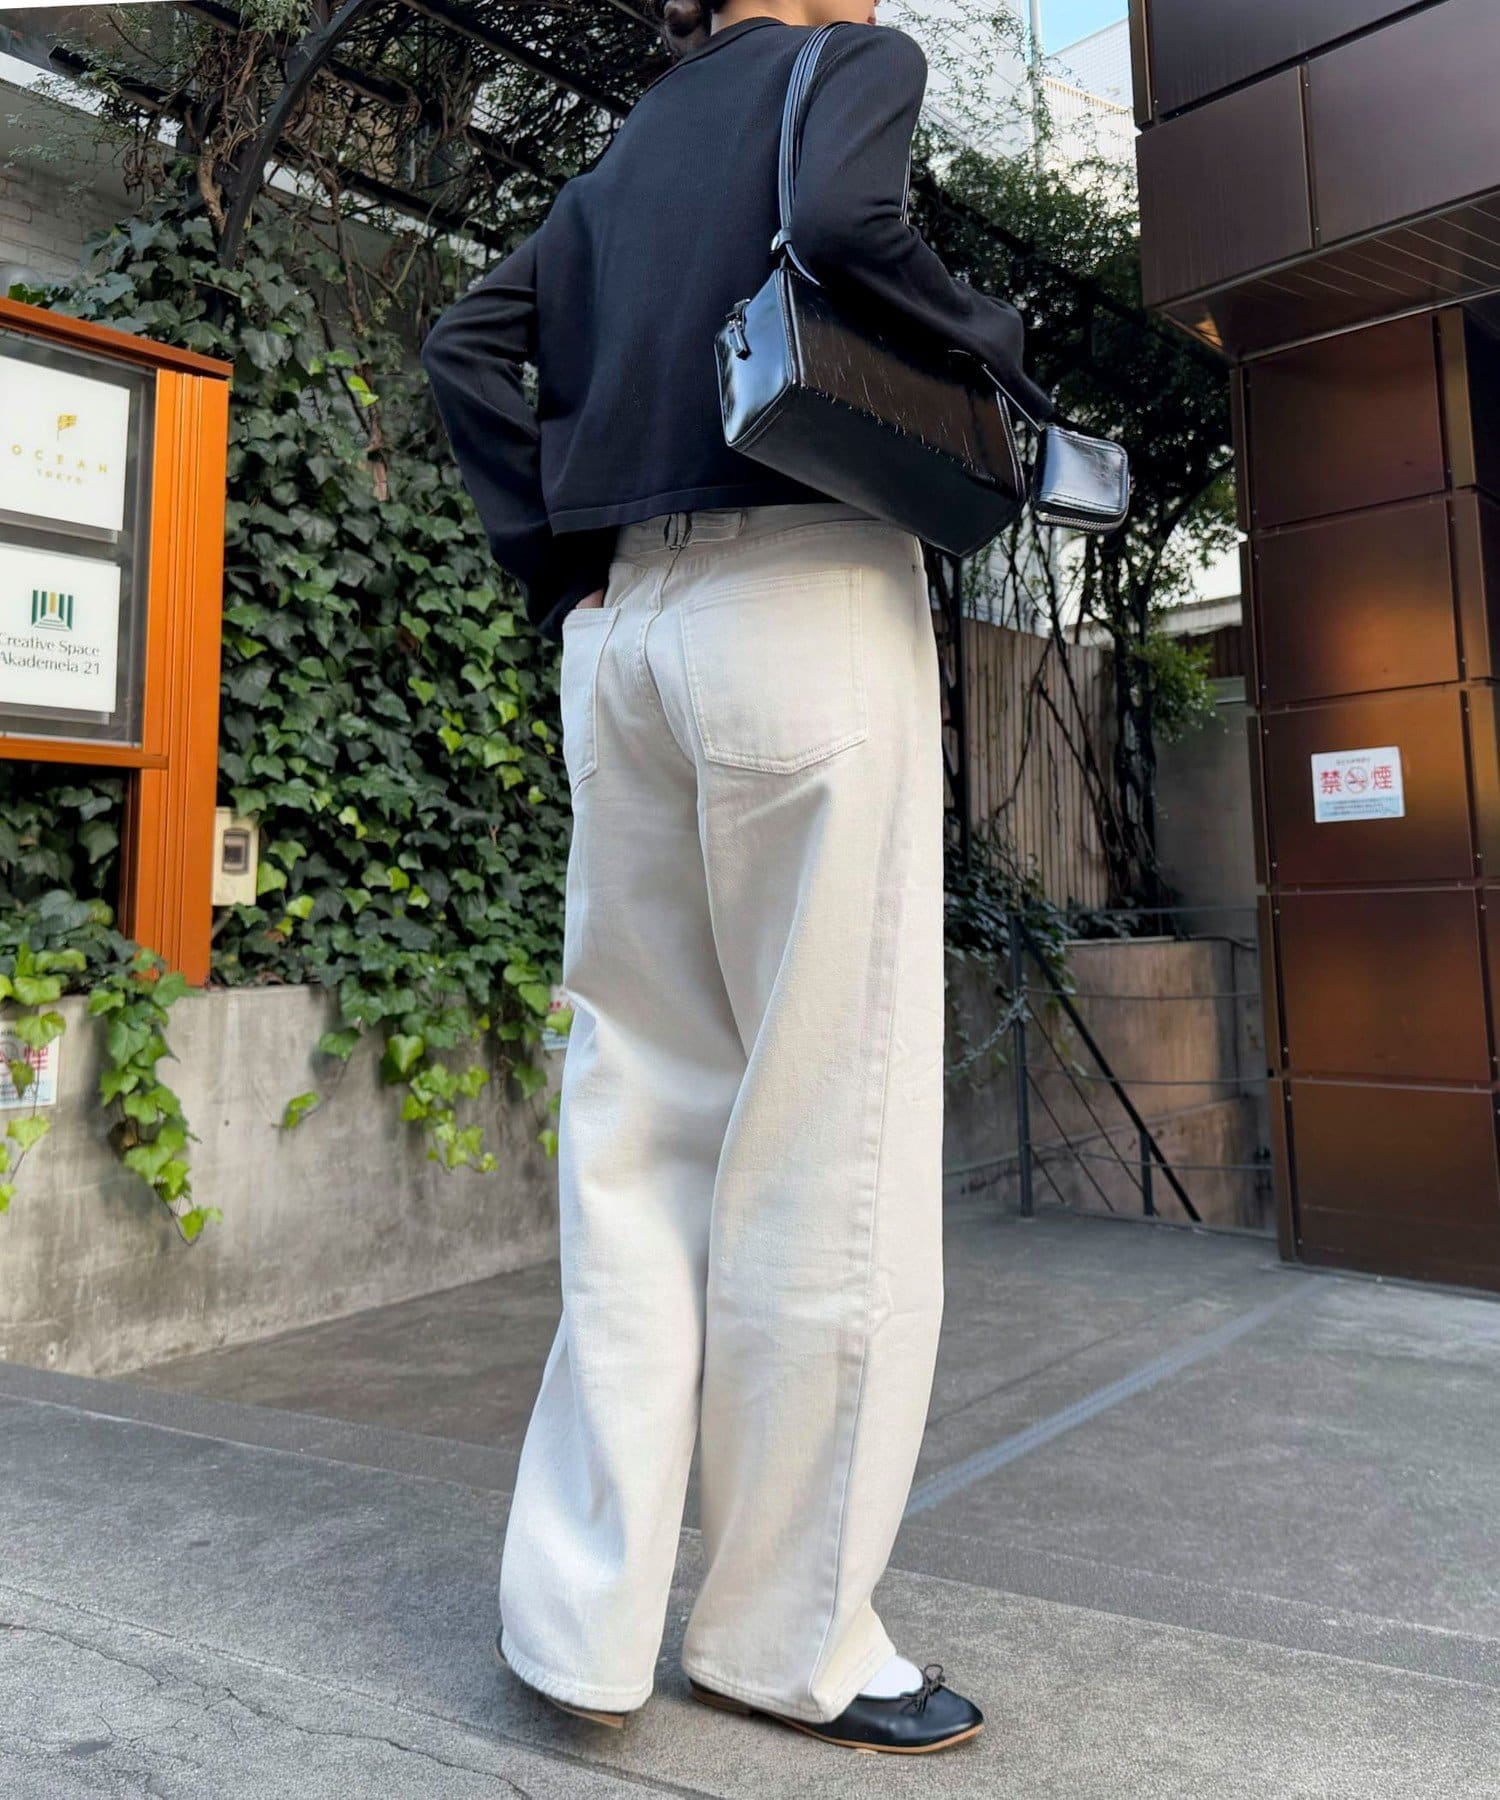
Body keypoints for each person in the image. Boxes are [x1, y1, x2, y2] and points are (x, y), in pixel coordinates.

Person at [419, 0, 1053, 1758]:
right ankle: (788, 1639)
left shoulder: (626, 152)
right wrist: (997, 347)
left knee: (633, 1124)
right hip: (806, 595)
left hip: (624, 633)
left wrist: (563, 573)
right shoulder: (850, 64)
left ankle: (579, 1623)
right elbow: (847, 224)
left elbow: (467, 346)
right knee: (829, 1134)